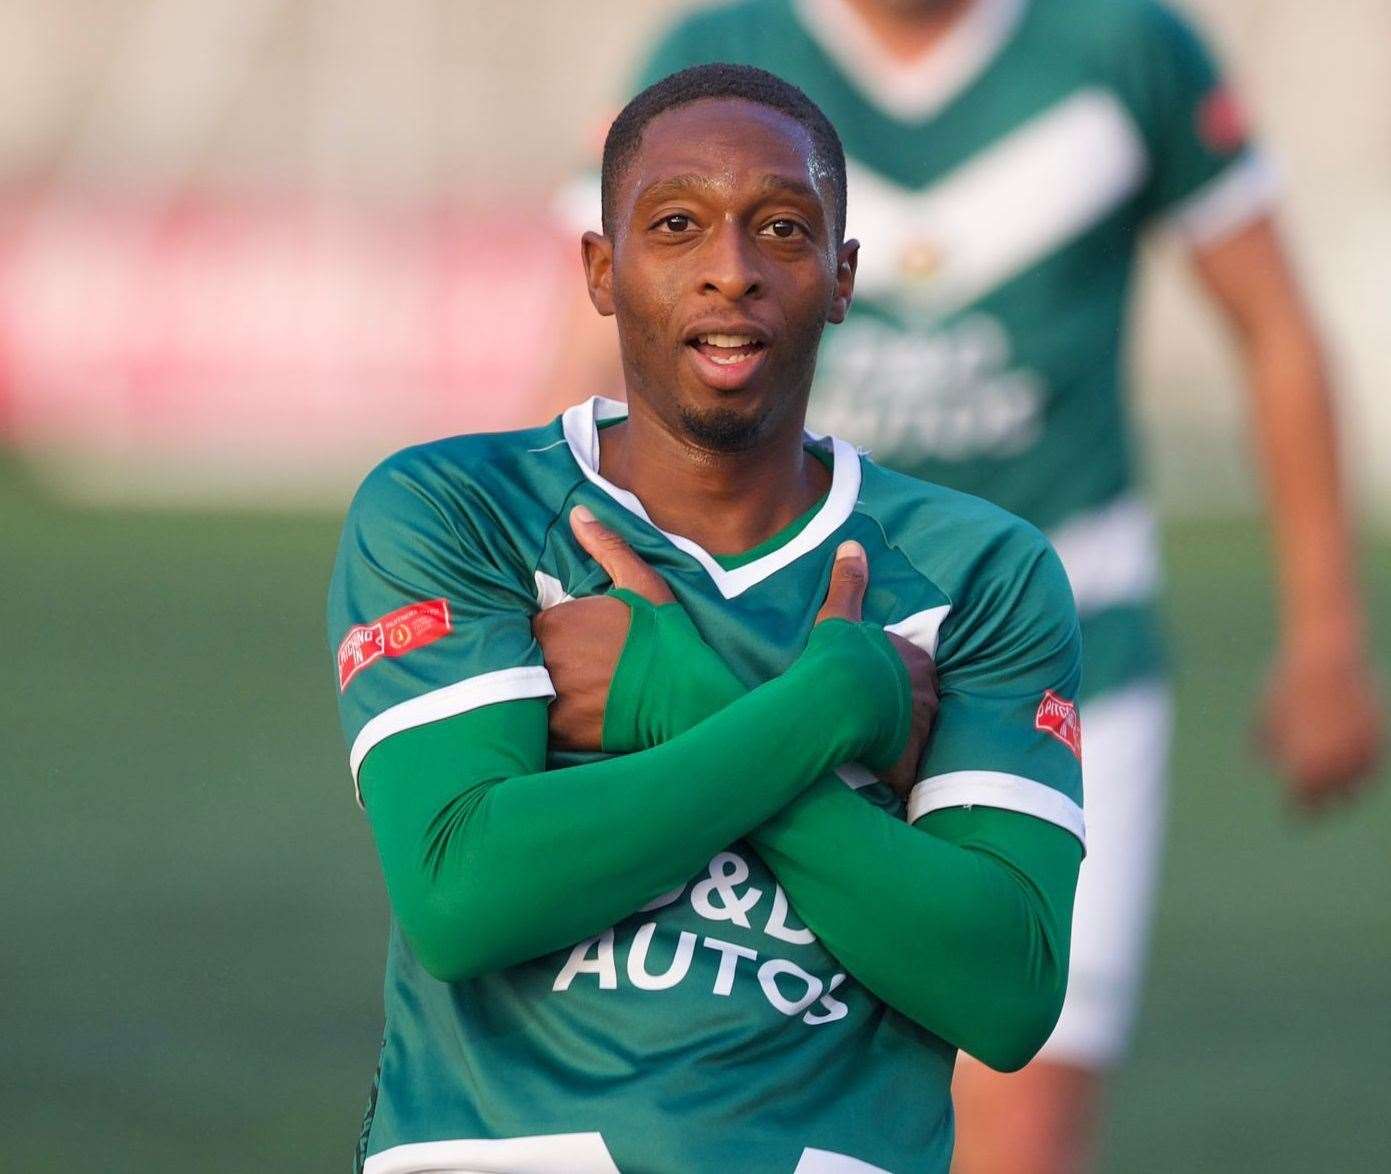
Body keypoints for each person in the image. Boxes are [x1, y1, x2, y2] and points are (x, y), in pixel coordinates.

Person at [540, 3, 1386, 1169]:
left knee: (1011, 1112)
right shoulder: (715, 56)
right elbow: (593, 347)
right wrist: (538, 586)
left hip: (1053, 658)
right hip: (754, 655)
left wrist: (1325, 636)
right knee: (728, 1098)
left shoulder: (1123, 46)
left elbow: (1275, 330)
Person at [329, 64, 1091, 1173]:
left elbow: (1006, 988)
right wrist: (829, 707)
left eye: (780, 229)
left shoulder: (975, 572)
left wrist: (670, 701)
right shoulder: (460, 511)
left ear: (840, 278)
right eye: (676, 224)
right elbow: (461, 896)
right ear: (603, 269)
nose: (728, 272)